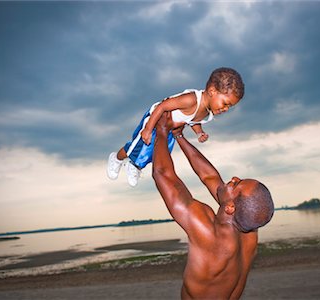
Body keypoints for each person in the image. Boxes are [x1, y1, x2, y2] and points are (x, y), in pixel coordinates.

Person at [152, 112, 274, 299]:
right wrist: (178, 136)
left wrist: (161, 129)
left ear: (231, 208)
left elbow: (163, 174)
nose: (233, 179)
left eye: (236, 184)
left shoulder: (208, 233)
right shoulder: (250, 234)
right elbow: (210, 177)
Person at [107, 67, 244, 187]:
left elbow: (193, 120)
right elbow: (162, 106)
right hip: (155, 120)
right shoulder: (190, 100)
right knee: (134, 148)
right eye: (225, 103)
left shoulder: (206, 110)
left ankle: (135, 166)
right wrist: (148, 129)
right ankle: (117, 158)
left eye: (229, 107)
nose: (226, 109)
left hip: (168, 130)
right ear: (212, 91)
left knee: (153, 154)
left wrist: (199, 132)